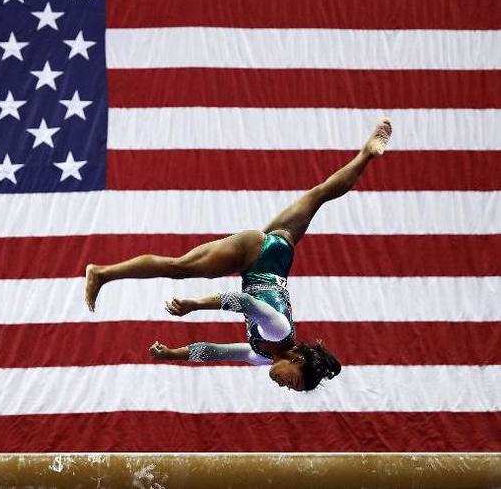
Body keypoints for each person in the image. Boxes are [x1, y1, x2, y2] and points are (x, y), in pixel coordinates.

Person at [84, 119, 393, 392]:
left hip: (278, 255)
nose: (284, 384)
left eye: (290, 389)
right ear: (297, 359)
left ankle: (367, 153)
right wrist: (194, 304)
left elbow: (217, 352)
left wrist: (171, 354)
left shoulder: (263, 353)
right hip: (255, 255)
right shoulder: (279, 331)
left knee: (319, 194)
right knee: (178, 267)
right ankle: (102, 273)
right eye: (293, 380)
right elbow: (244, 302)